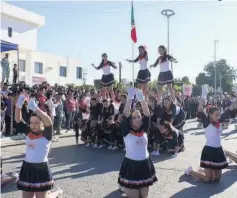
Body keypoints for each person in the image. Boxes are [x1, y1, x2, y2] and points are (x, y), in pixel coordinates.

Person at [15, 94, 62, 198]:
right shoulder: (28, 131)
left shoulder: (46, 134)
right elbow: (18, 121)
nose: (33, 125)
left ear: (42, 124)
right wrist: (18, 106)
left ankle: (57, 193)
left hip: (42, 169)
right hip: (27, 168)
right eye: (31, 123)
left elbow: (49, 122)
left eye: (36, 123)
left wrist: (36, 109)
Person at [184, 99, 237, 182]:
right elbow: (200, 110)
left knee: (217, 179)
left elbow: (229, 109)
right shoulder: (206, 122)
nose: (218, 117)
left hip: (218, 151)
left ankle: (203, 170)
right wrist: (201, 100)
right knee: (208, 179)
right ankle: (190, 171)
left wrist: (235, 102)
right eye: (216, 115)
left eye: (219, 114)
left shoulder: (219, 121)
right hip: (209, 151)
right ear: (210, 115)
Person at [118, 88, 157, 198]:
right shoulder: (126, 131)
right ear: (130, 120)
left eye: (139, 116)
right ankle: (124, 187)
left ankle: (125, 187)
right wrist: (130, 98)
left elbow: (148, 115)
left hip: (145, 164)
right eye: (134, 117)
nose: (137, 119)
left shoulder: (144, 129)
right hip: (131, 166)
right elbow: (125, 114)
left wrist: (142, 100)